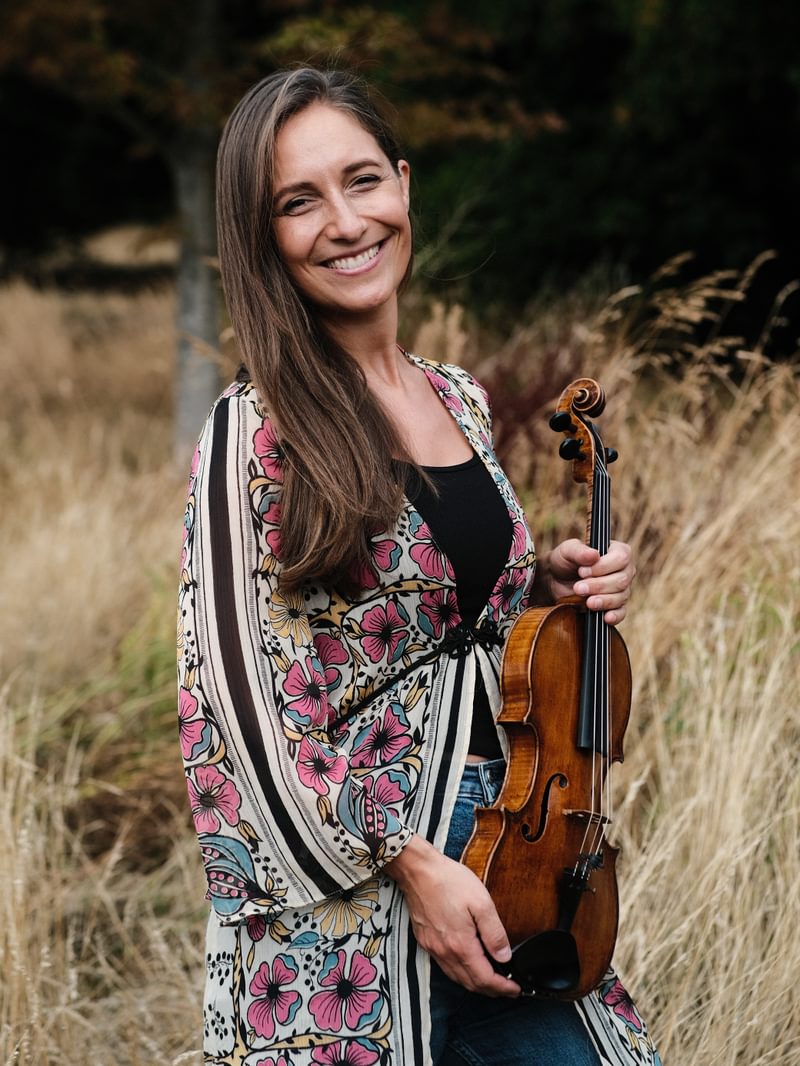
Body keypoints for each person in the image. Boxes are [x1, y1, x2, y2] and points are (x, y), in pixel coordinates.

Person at [177, 67, 661, 1066]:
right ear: (262, 235)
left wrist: (547, 589)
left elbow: (452, 618)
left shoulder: (458, 397)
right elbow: (244, 704)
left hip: (518, 858)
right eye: (298, 202)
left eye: (362, 181)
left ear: (402, 183)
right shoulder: (252, 429)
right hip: (355, 902)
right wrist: (407, 863)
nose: (345, 222)